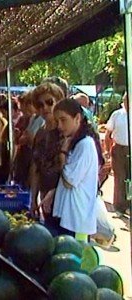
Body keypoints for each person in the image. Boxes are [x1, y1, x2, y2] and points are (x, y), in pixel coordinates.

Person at [52, 98, 103, 241]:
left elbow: (69, 180)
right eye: (57, 121)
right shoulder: (75, 143)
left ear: (77, 118)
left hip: (77, 220)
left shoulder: (85, 144)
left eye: (63, 120)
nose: (60, 126)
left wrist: (62, 154)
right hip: (70, 217)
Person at [29, 82, 65, 231]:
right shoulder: (41, 133)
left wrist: (57, 191)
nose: (45, 108)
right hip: (45, 196)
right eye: (40, 104)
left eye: (49, 102)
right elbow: (36, 167)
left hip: (65, 197)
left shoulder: (66, 131)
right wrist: (33, 198)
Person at [105, 92, 130, 215]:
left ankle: (128, 205)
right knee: (119, 178)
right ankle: (119, 207)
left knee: (129, 178)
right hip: (119, 149)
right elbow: (108, 133)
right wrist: (107, 150)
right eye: (126, 100)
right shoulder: (117, 114)